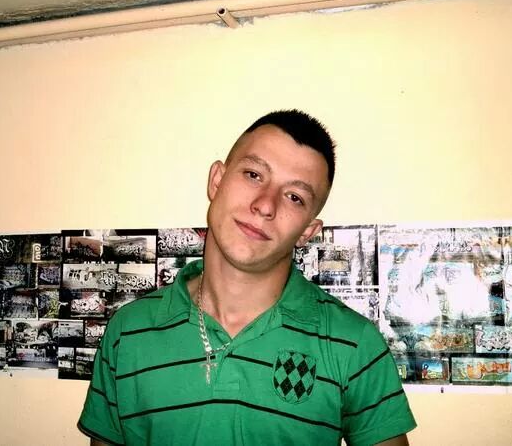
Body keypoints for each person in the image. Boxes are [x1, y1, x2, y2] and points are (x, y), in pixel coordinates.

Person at [78, 110, 416, 445]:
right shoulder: (128, 331)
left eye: (294, 197)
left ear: (307, 231)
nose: (265, 205)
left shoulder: (354, 344)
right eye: (254, 174)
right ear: (216, 180)